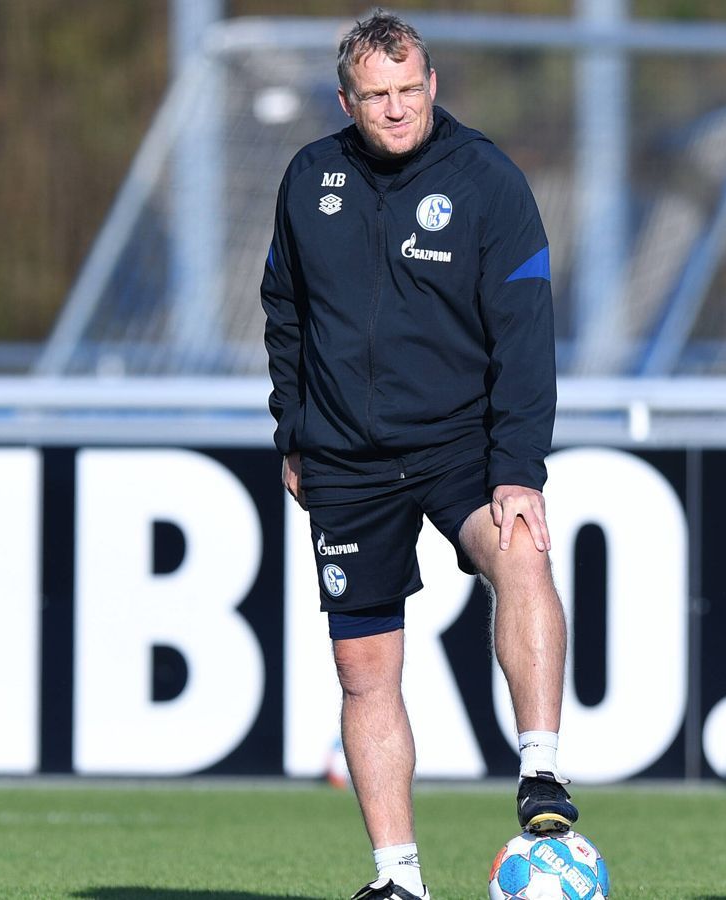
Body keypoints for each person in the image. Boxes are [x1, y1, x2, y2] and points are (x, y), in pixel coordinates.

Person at [261, 10, 576, 900]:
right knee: (366, 677)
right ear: (346, 100)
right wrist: (293, 430)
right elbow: (283, 310)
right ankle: (399, 880)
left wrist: (518, 466)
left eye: (409, 90)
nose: (396, 110)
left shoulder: (487, 181)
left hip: (459, 447)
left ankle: (541, 772)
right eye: (376, 96)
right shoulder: (310, 177)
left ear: (432, 86)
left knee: (521, 549)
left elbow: (526, 335)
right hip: (346, 463)